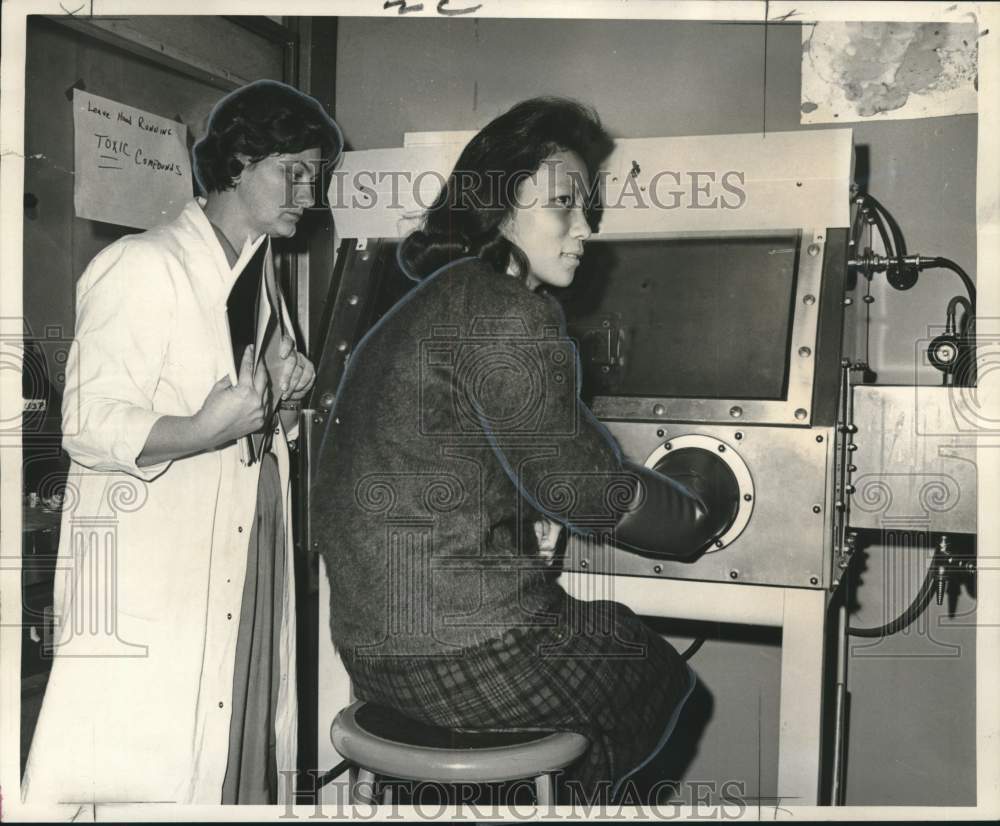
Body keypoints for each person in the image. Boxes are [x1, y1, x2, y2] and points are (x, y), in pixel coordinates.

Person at [312, 98, 736, 802]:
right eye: (563, 205)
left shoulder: (434, 301)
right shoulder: (508, 312)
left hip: (372, 653)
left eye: (588, 208)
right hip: (461, 654)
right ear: (499, 207)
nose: (585, 229)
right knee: (652, 664)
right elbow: (580, 490)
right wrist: (696, 518)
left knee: (590, 639)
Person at [23, 80, 341, 805]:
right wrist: (204, 429)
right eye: (292, 170)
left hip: (248, 552)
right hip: (162, 578)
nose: (307, 191)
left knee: (242, 748)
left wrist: (284, 403)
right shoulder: (141, 266)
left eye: (314, 177)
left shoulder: (260, 276)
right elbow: (87, 422)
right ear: (237, 163)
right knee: (160, 775)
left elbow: (255, 427)